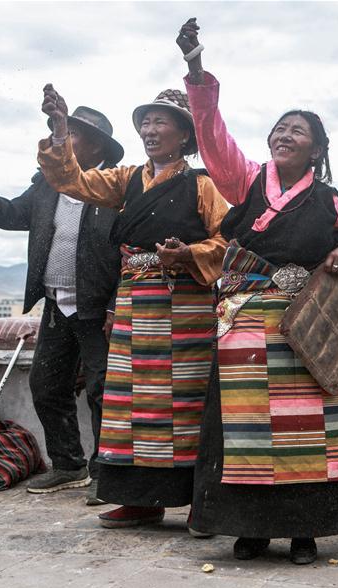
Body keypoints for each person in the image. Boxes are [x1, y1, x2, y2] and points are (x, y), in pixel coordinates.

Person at [178, 18, 338, 565]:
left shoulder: (327, 199)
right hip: (245, 321)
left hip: (302, 329)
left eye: (297, 131)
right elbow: (212, 137)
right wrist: (196, 70)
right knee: (244, 425)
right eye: (279, 128)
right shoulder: (246, 180)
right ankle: (249, 528)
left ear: (318, 148)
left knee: (309, 429)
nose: (284, 136)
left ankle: (305, 531)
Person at [37, 84, 228, 532]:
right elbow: (71, 180)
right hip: (134, 306)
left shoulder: (202, 185)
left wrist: (189, 255)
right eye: (145, 121)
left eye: (160, 121)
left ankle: (201, 502)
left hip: (186, 309)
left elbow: (228, 241)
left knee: (186, 405)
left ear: (184, 134)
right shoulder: (127, 180)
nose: (149, 129)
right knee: (131, 405)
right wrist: (61, 130)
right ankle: (140, 500)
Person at [0, 106, 124, 503]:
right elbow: (13, 214)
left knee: (104, 390)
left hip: (98, 309)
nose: (61, 142)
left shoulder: (115, 189)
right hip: (56, 305)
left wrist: (117, 304)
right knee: (46, 384)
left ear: (97, 146)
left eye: (74, 136)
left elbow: (128, 252)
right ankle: (69, 465)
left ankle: (106, 473)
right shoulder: (48, 186)